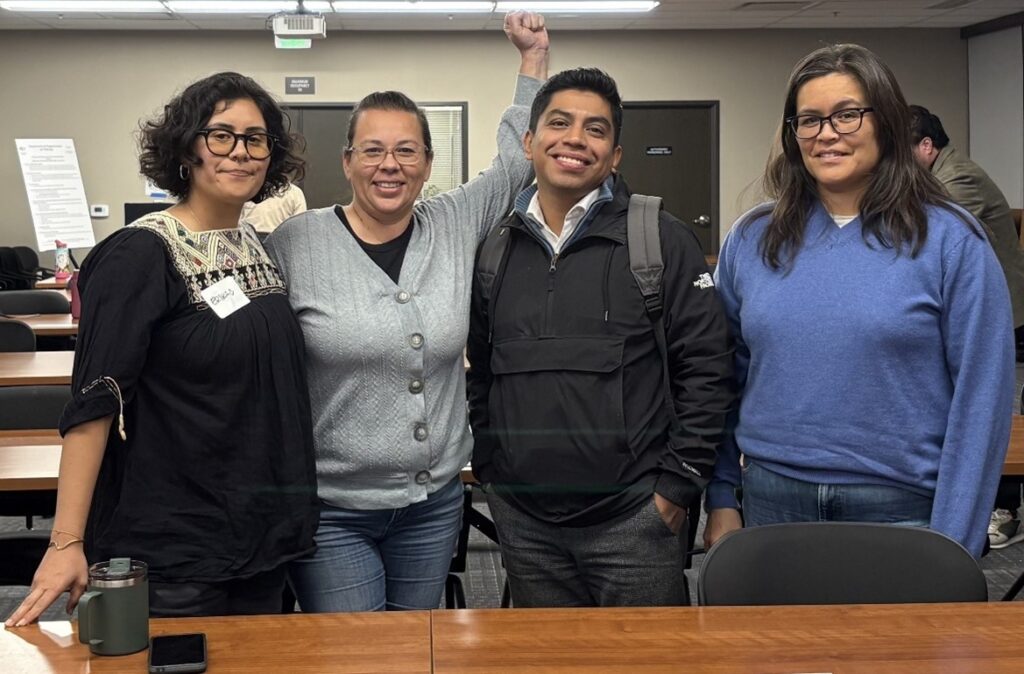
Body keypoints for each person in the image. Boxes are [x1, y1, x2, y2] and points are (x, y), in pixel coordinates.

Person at [5, 72, 318, 625]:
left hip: (259, 535)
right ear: (185, 148)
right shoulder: (139, 254)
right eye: (220, 135)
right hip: (175, 547)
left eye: (256, 138)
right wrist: (65, 541)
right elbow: (96, 400)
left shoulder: (257, 245)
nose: (240, 152)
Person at [264, 11, 549, 612]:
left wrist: (532, 61)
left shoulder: (452, 222)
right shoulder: (295, 243)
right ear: (347, 162)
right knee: (361, 654)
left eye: (405, 151)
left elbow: (514, 164)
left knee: (417, 646)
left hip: (435, 501)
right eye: (372, 150)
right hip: (334, 506)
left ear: (426, 163)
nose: (388, 165)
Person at [703, 44, 1014, 558]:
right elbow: (721, 376)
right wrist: (721, 495)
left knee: (901, 644)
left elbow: (982, 400)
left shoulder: (951, 239)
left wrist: (954, 540)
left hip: (904, 508)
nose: (827, 134)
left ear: (886, 123)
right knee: (782, 644)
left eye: (847, 115)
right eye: (809, 120)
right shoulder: (753, 238)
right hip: (773, 501)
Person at [465, 67, 734, 608]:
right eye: (559, 123)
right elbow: (484, 373)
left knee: (649, 664)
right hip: (526, 521)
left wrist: (676, 488)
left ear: (614, 155)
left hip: (636, 521)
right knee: (548, 665)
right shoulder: (496, 249)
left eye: (596, 129)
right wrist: (495, 474)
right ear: (530, 142)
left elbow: (708, 370)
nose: (574, 139)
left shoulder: (659, 238)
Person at [908, 105, 1024, 550]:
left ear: (926, 147)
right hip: (958, 307)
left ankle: (1004, 508)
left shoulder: (960, 178)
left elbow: (920, 227)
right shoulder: (939, 172)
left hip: (999, 309)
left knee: (989, 408)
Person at [240, 181, 307, 241]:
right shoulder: (295, 192)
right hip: (278, 242)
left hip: (250, 240)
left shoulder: (245, 188)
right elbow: (300, 229)